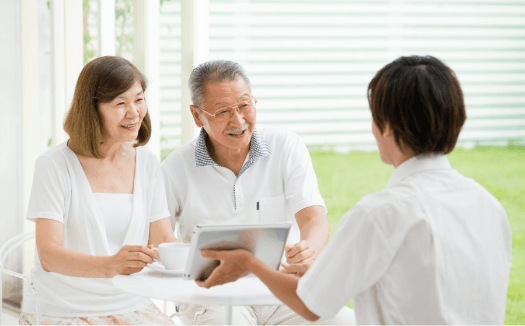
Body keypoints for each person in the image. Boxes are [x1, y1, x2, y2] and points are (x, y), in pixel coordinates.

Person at [199, 55, 512, 325]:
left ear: (385, 126)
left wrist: (249, 262)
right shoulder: (488, 206)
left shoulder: (379, 214)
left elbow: (311, 305)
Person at [161, 60, 355, 325]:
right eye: (223, 112)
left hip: (283, 289)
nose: (238, 120)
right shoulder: (174, 168)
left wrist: (309, 248)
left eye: (244, 105)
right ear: (197, 116)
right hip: (213, 296)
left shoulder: (286, 145)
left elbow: (313, 218)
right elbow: (160, 240)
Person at [20, 56, 178, 326]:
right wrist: (111, 265)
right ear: (92, 109)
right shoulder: (54, 166)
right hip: (62, 308)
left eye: (139, 100)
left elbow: (162, 239)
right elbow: (49, 254)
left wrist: (210, 256)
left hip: (132, 302)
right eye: (120, 103)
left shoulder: (148, 163)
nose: (134, 113)